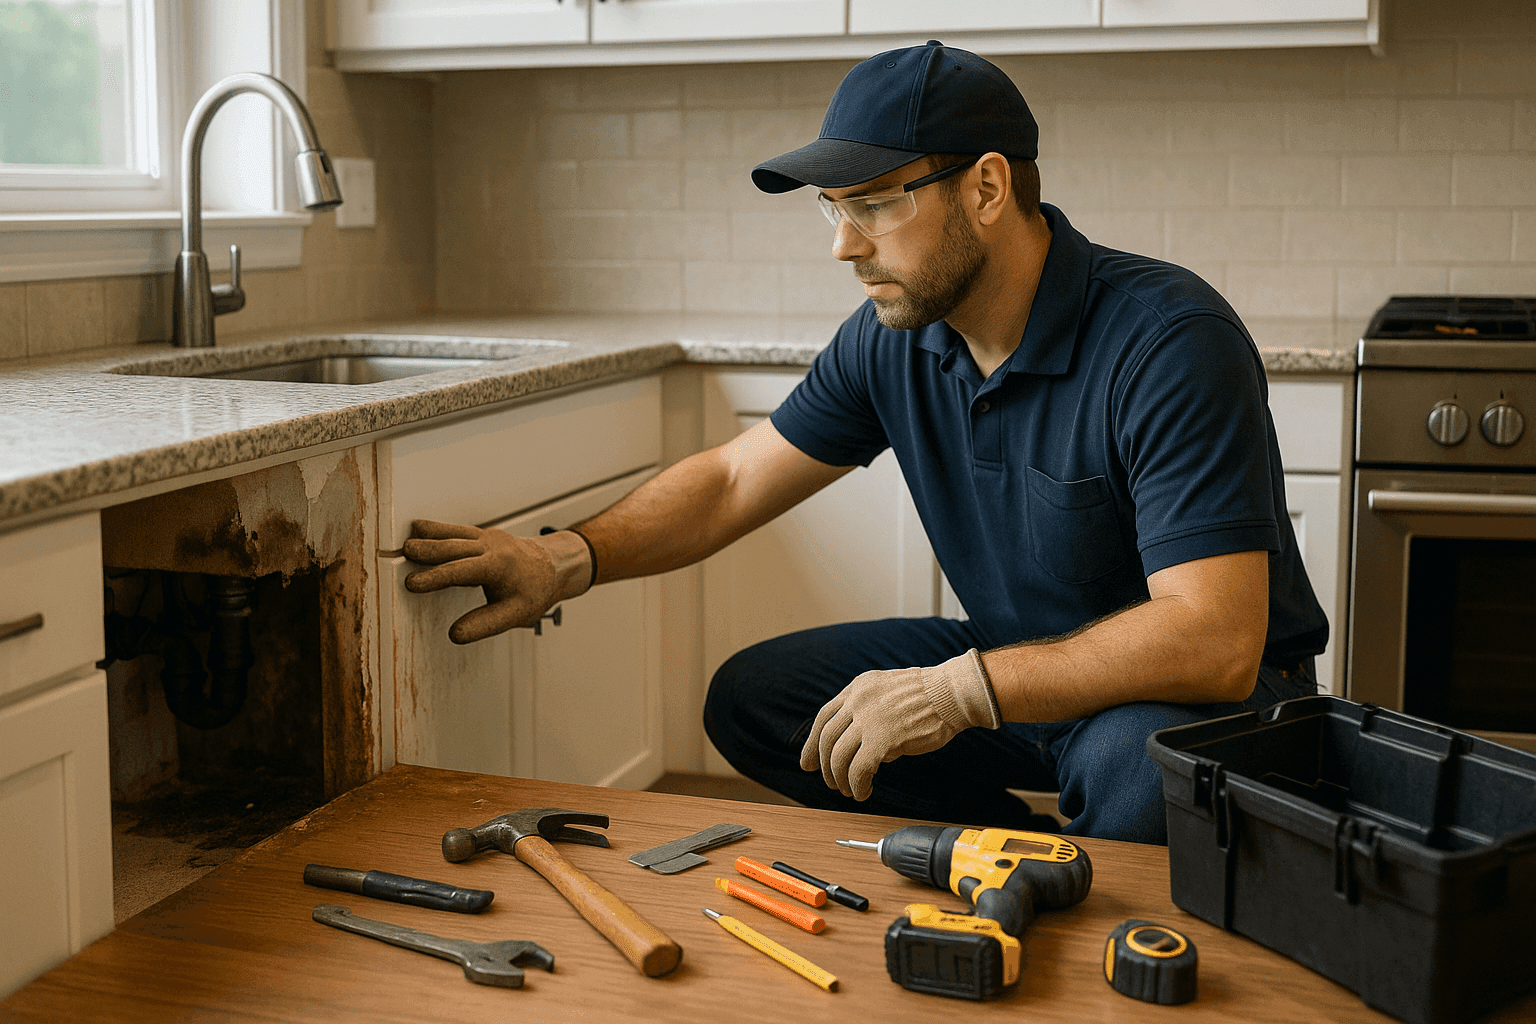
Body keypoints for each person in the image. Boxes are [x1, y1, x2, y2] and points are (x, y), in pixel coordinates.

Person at [402, 41, 1328, 845]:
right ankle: (1024, 856)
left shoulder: (1167, 341)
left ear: (988, 187)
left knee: (1140, 776)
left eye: (875, 206)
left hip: (1210, 700)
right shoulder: (898, 337)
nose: (844, 246)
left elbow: (1214, 638)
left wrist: (956, 695)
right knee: (761, 698)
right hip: (1021, 664)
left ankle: (1091, 876)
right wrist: (564, 559)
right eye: (831, 209)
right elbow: (732, 480)